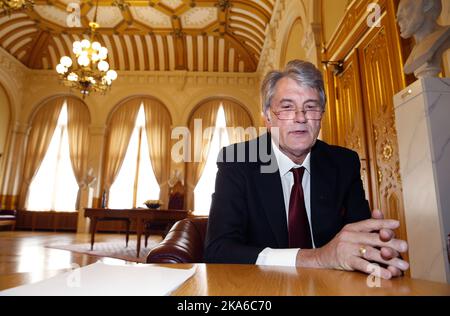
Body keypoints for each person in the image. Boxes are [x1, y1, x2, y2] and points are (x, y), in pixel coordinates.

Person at [204, 60, 409, 279]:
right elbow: (218, 251)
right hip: (263, 288)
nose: (301, 118)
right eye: (287, 107)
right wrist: (316, 258)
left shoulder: (344, 163)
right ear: (267, 116)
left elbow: (358, 243)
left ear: (321, 115)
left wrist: (375, 253)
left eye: (311, 107)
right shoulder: (237, 161)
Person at [396, 0, 450, 78]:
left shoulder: (446, 34)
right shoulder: (413, 55)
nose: (397, 20)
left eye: (404, 9)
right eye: (397, 16)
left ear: (427, 4)